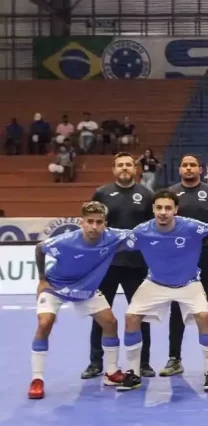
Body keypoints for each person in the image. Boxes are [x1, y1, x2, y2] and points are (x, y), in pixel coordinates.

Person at [117, 189, 208, 392]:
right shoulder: (142, 230)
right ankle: (133, 372)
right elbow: (116, 242)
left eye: (168, 208)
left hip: (189, 283)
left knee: (203, 316)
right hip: (155, 283)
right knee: (131, 316)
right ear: (153, 209)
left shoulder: (191, 227)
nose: (163, 212)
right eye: (159, 208)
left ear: (176, 210)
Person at [29, 202, 128, 399]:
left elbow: (139, 234)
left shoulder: (113, 237)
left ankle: (111, 372)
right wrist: (42, 279)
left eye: (98, 222)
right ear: (82, 223)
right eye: (89, 221)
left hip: (86, 289)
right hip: (56, 287)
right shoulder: (66, 241)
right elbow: (40, 248)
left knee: (110, 322)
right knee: (44, 323)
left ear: (105, 224)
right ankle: (37, 379)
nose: (94, 226)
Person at [84, 152, 154, 380]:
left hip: (137, 264)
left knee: (140, 315)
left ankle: (143, 363)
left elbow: (152, 229)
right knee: (101, 314)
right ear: (114, 170)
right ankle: (96, 362)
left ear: (135, 169)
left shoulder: (147, 194)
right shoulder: (102, 193)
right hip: (107, 264)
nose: (124, 168)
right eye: (120, 165)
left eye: (128, 165)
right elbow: (92, 227)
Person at [160, 155, 208, 377]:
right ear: (180, 169)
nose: (189, 169)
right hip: (179, 258)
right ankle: (174, 358)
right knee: (177, 308)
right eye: (185, 165)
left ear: (200, 169)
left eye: (192, 165)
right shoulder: (171, 193)